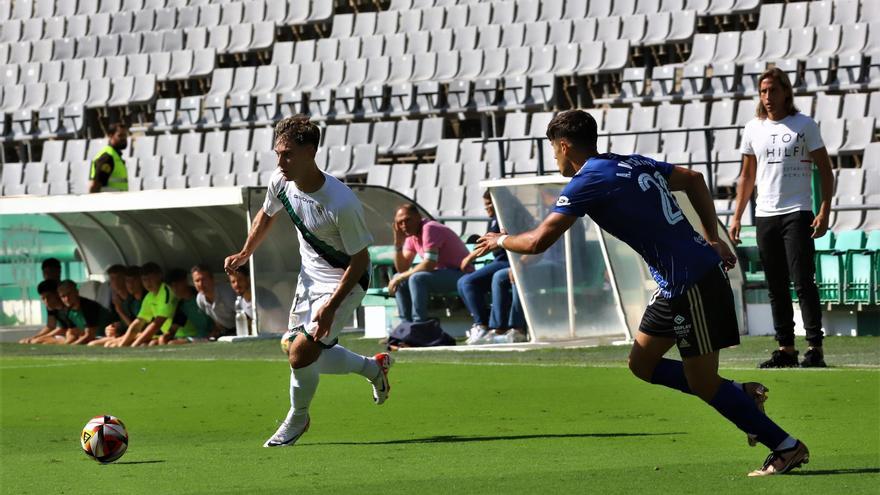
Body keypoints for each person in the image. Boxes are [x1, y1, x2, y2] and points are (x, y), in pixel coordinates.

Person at [475, 110, 808, 477]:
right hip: (674, 284)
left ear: (564, 145)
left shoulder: (588, 181)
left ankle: (785, 445)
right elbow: (694, 178)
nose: (554, 156)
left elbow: (538, 241)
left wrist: (500, 240)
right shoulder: (629, 163)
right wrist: (712, 238)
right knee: (642, 364)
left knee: (703, 383)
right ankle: (741, 396)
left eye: (554, 148)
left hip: (691, 282)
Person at [223, 115, 393, 448]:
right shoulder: (280, 180)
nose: (280, 161)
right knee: (299, 350)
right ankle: (373, 369)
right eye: (277, 153)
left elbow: (359, 260)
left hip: (346, 279)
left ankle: (297, 419)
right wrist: (246, 251)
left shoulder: (341, 202)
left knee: (301, 353)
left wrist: (331, 306)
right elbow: (267, 214)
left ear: (310, 151)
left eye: (287, 154)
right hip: (309, 278)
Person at [729, 67, 833, 369]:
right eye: (763, 91)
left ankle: (815, 348)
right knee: (775, 285)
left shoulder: (804, 125)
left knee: (803, 282)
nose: (767, 96)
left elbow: (825, 170)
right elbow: (747, 176)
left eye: (773, 90)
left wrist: (825, 209)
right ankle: (786, 349)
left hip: (797, 212)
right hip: (765, 215)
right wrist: (736, 217)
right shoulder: (753, 128)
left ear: (786, 91)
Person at [457, 191, 525, 344]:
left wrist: (469, 257)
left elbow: (492, 244)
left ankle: (487, 326)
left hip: (510, 261)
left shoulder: (509, 216)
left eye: (489, 203)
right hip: (500, 261)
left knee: (471, 282)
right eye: (485, 204)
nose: (487, 207)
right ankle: (482, 324)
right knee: (463, 282)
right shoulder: (496, 219)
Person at [389, 203, 471, 323]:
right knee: (399, 278)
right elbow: (403, 268)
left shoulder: (429, 228)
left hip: (461, 274)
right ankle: (405, 327)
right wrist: (398, 244)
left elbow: (429, 264)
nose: (404, 225)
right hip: (440, 275)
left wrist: (401, 277)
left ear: (418, 217)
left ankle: (419, 324)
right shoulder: (411, 235)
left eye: (407, 220)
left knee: (416, 278)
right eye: (400, 222)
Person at [107, 262, 176, 347]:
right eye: (144, 280)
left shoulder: (166, 290)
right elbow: (137, 323)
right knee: (112, 345)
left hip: (176, 334)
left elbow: (157, 324)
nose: (148, 283)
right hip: (166, 335)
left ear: (160, 276)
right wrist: (122, 345)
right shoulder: (149, 296)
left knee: (150, 344)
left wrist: (134, 345)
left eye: (151, 278)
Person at [91, 265, 145, 347]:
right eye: (112, 279)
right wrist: (112, 328)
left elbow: (136, 327)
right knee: (93, 344)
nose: (115, 282)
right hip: (126, 333)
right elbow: (122, 324)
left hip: (137, 334)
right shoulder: (115, 301)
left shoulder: (134, 300)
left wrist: (120, 311)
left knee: (108, 344)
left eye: (118, 278)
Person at [155, 268, 212, 345]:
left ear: (185, 281)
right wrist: (164, 337)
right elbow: (174, 328)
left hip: (213, 336)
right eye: (171, 286)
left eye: (176, 285)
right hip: (200, 338)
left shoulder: (200, 296)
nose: (175, 289)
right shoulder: (182, 305)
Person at [227, 264, 285, 335]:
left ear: (248, 279)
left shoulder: (261, 294)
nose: (236, 284)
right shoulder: (241, 301)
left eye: (240, 280)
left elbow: (280, 317)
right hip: (263, 336)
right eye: (233, 282)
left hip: (278, 334)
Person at [57, 280, 115, 345]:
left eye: (69, 294)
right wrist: (67, 344)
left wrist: (72, 346)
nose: (67, 299)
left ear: (76, 292)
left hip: (104, 336)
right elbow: (72, 332)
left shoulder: (89, 306)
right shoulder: (66, 310)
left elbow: (90, 335)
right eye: (63, 296)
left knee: (92, 344)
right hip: (88, 337)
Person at [191, 264, 237, 338]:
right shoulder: (199, 299)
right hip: (228, 332)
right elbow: (217, 321)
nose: (201, 284)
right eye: (197, 281)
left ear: (212, 279)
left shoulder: (227, 293)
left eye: (204, 279)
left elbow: (246, 316)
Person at [89, 122, 129, 193]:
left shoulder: (115, 155)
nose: (124, 138)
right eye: (120, 135)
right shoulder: (108, 157)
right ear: (110, 136)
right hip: (108, 202)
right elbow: (95, 186)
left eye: (125, 135)